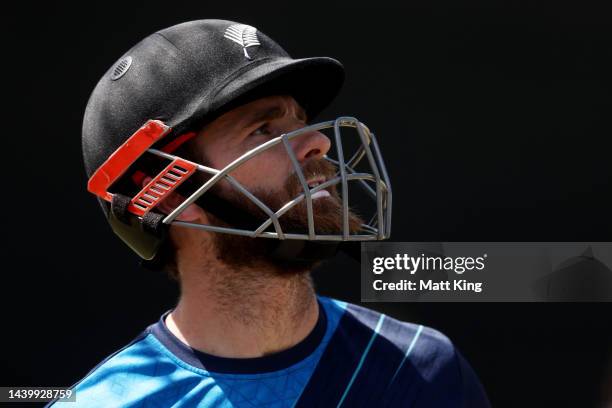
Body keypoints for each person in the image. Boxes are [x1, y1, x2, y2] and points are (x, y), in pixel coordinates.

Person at [49, 19, 491, 407]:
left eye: (299, 121)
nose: (317, 143)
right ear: (166, 195)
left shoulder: (421, 369)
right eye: (263, 129)